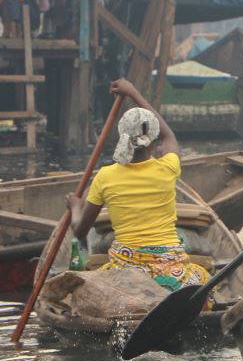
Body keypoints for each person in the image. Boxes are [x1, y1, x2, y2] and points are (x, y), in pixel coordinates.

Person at [67, 79, 212, 294]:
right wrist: (133, 92)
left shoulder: (105, 177)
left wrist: (75, 207)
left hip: (126, 271)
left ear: (121, 137)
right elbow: (169, 135)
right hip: (171, 267)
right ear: (153, 142)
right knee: (204, 279)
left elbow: (79, 231)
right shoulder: (168, 168)